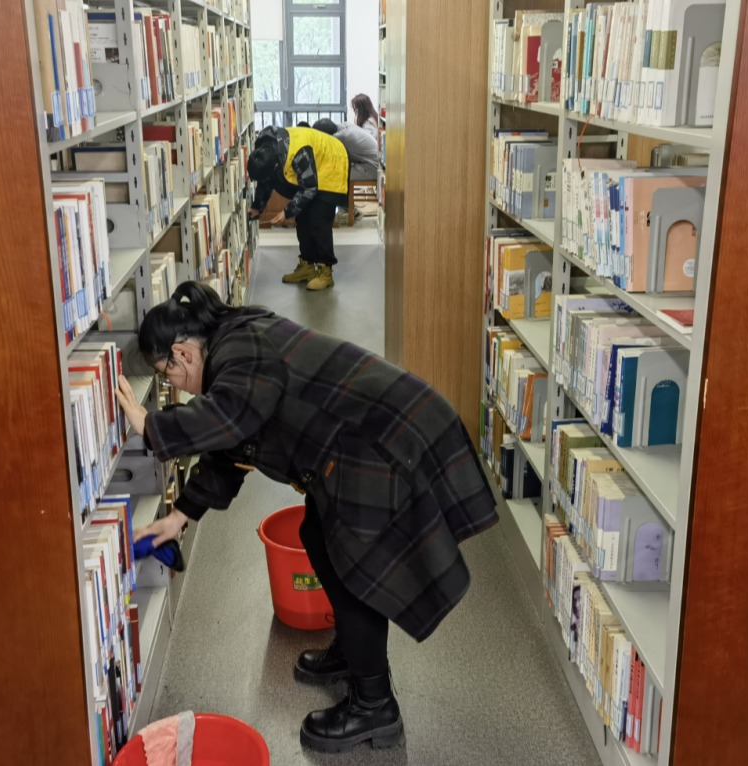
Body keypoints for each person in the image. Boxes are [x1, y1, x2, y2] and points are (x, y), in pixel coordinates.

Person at [115, 282, 499, 754]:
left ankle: (375, 707)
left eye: (166, 375)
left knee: (351, 566)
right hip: (360, 439)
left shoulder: (240, 350)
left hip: (382, 439)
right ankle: (356, 653)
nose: (174, 386)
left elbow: (231, 416)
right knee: (317, 534)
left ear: (182, 353)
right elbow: (232, 444)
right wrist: (180, 516)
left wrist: (151, 426)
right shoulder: (234, 347)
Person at [247, 126, 349, 292]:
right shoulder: (263, 152)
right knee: (302, 218)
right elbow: (265, 181)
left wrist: (286, 212)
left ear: (276, 166)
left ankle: (325, 271)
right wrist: (257, 206)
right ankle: (307, 266)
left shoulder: (298, 154)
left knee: (318, 221)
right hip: (312, 170)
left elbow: (309, 188)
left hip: (331, 163)